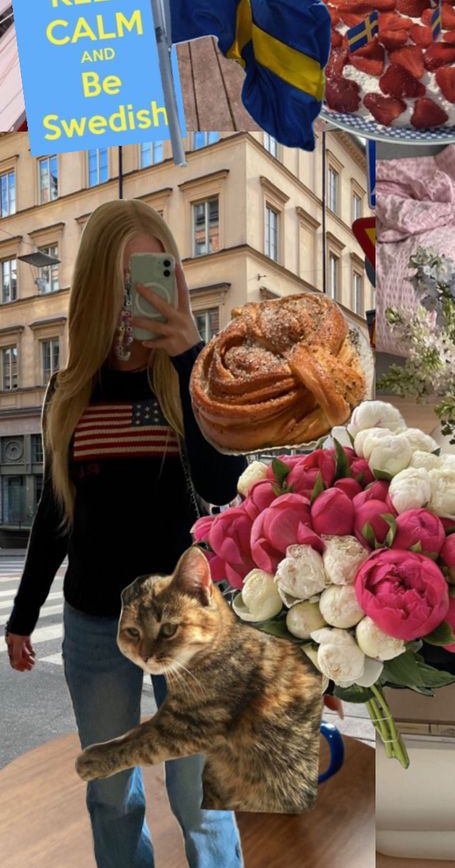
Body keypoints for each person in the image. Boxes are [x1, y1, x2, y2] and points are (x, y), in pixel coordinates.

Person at [5, 200, 244, 868]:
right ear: (96, 290)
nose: (136, 296)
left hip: (191, 626)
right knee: (111, 796)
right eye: (123, 279)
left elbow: (228, 487)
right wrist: (23, 615)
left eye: (151, 274)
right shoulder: (68, 388)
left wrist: (190, 355)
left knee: (201, 797)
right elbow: (57, 515)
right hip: (92, 623)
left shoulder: (193, 374)